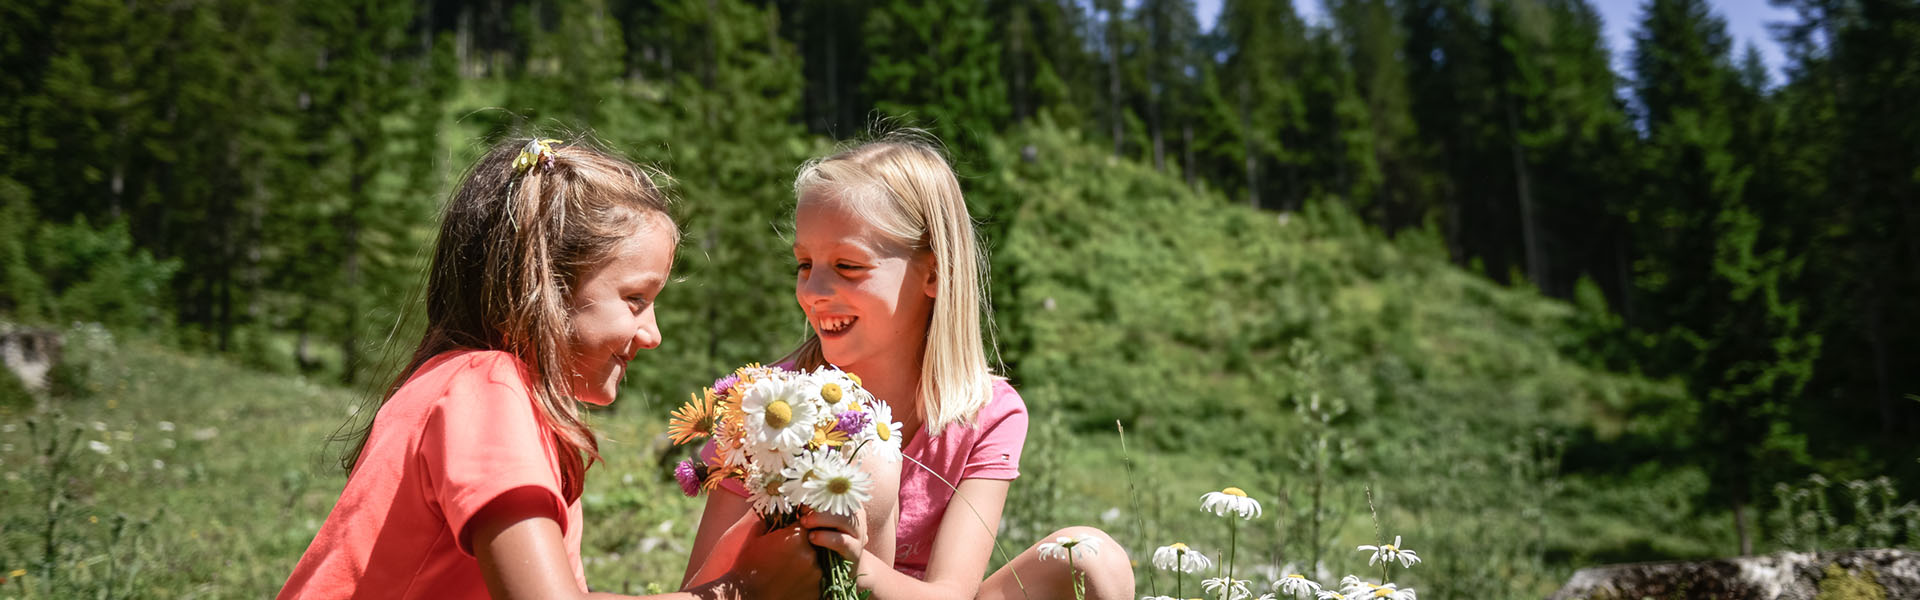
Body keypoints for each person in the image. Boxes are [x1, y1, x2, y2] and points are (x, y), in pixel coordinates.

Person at [278, 138, 845, 600]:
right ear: (543, 289)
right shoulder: (487, 388)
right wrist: (738, 592)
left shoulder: (464, 385)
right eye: (635, 299)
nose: (653, 335)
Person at [682, 134, 1136, 600]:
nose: (813, 290)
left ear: (935, 275)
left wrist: (863, 569)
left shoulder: (989, 412)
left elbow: (952, 593)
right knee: (873, 463)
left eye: (847, 265)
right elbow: (702, 586)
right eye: (804, 263)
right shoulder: (768, 403)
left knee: (1092, 558)